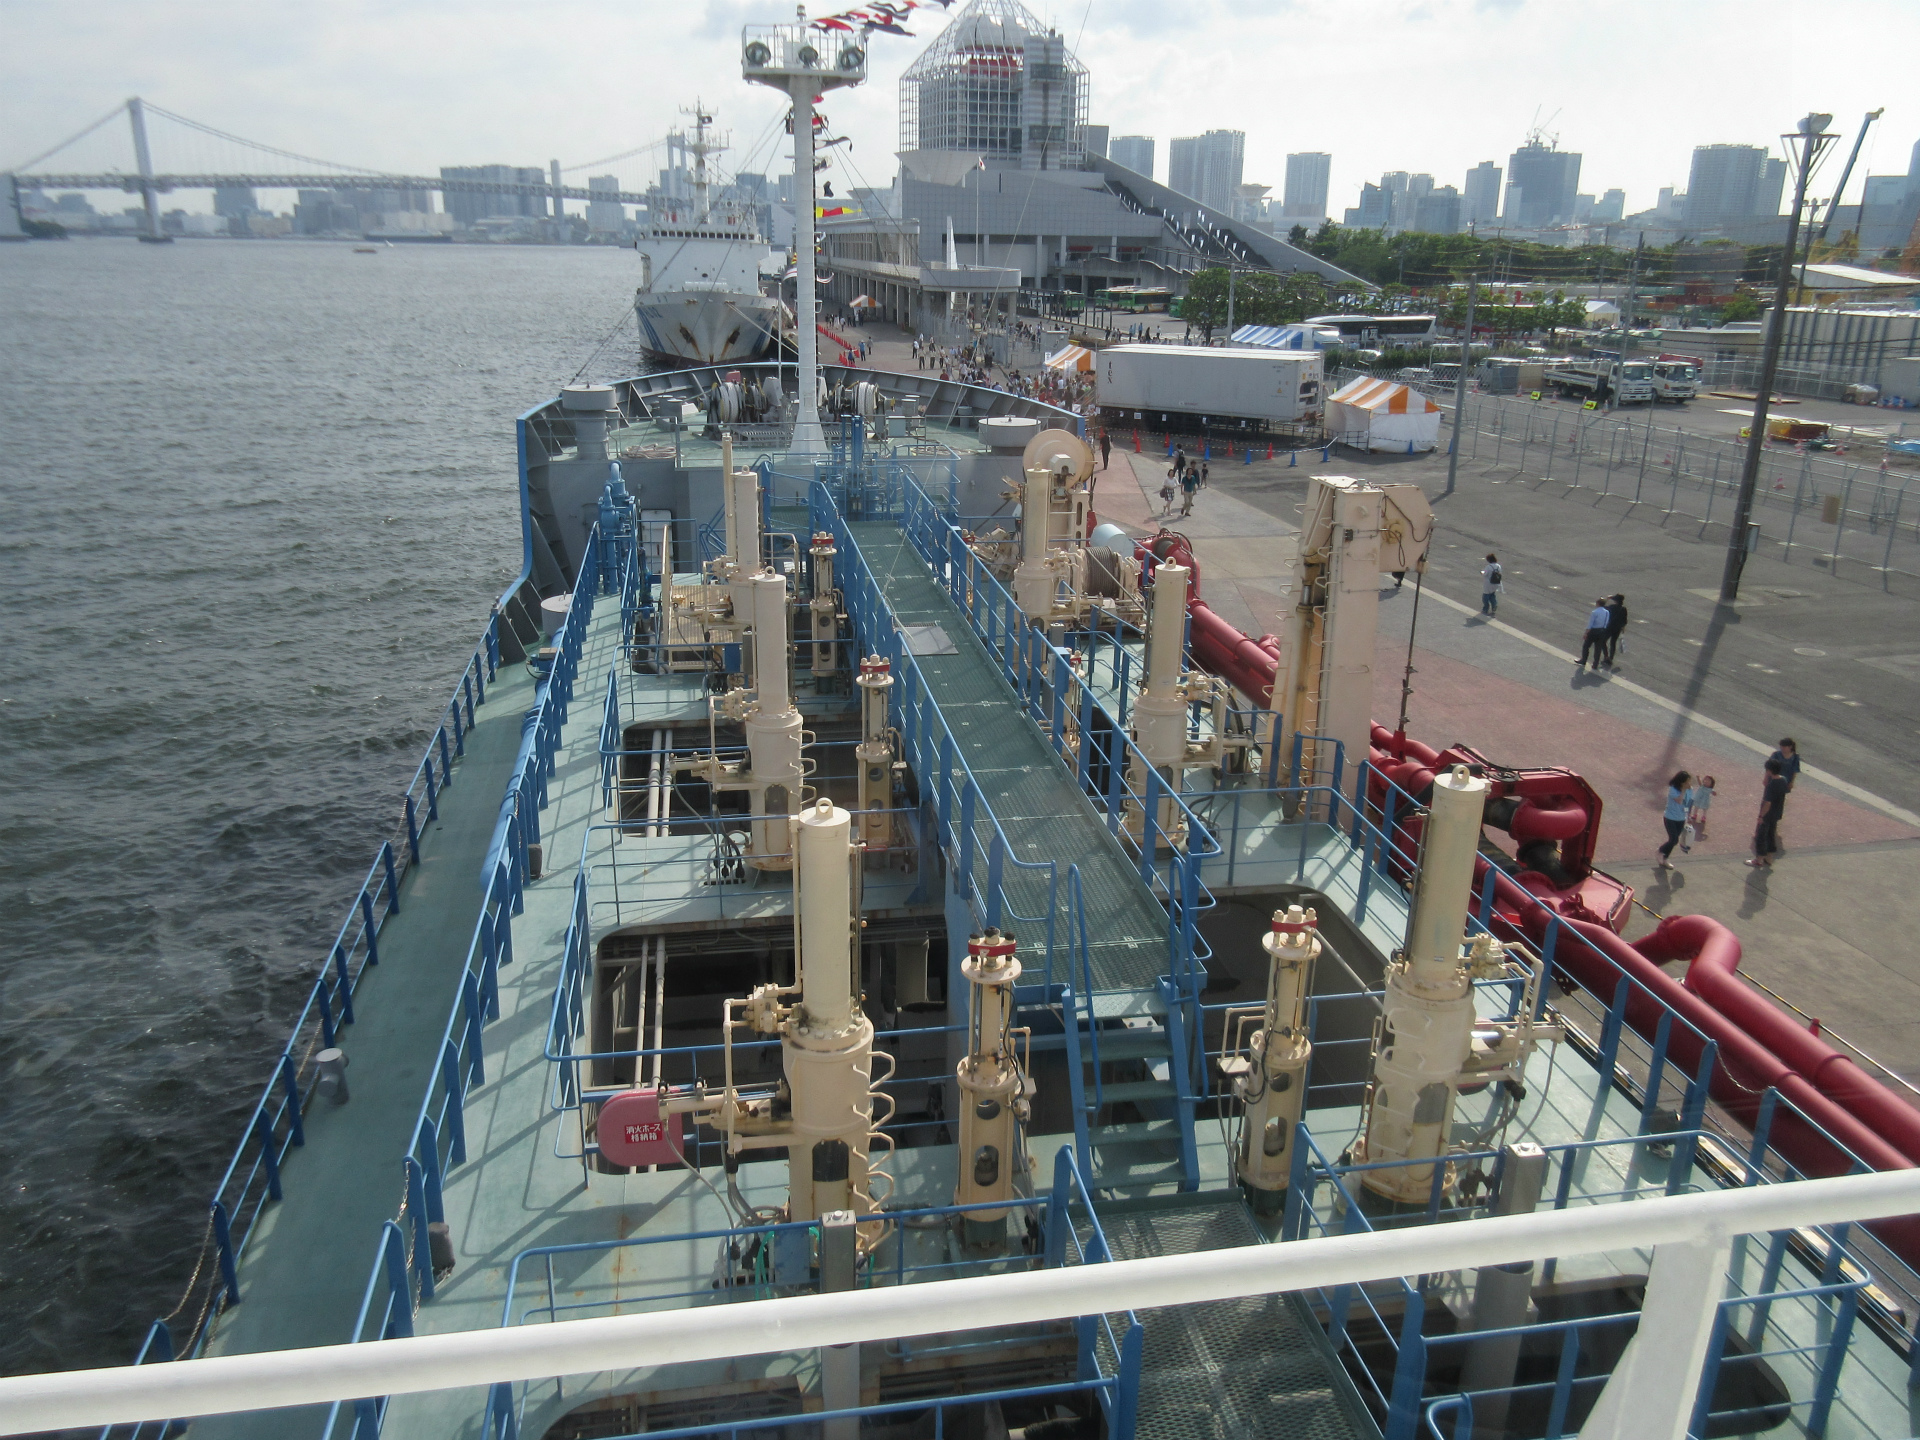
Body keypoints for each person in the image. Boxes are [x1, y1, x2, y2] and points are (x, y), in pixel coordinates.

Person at [1750, 758, 1789, 868]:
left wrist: (1761, 816)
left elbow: (1767, 803)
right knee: (1771, 835)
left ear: (1769, 770)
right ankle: (1769, 857)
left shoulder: (1771, 785)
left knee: (1761, 836)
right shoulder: (1783, 780)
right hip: (1777, 813)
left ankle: (1759, 859)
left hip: (1768, 815)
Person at [1656, 771, 1693, 867]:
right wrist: (1683, 790)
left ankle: (1665, 858)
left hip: (1681, 818)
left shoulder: (1689, 790)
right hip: (1670, 817)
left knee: (1674, 841)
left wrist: (1688, 815)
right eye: (1686, 782)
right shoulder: (1673, 789)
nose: (1688, 784)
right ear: (1681, 782)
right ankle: (1661, 851)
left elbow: (1686, 803)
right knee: (1673, 839)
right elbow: (1679, 801)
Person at [1577, 599, 1611, 669]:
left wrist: (1586, 633)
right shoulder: (1607, 612)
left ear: (1598, 603)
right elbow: (1606, 622)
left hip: (1593, 631)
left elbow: (1590, 624)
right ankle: (1595, 664)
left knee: (1586, 646)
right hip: (1602, 631)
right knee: (1598, 648)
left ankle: (1583, 660)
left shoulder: (1594, 612)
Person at [1603, 593, 1628, 667]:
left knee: (1603, 641)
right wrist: (1623, 628)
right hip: (1618, 628)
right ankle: (1611, 658)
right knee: (1613, 643)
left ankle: (1606, 656)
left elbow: (1603, 607)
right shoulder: (1623, 609)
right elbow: (1625, 621)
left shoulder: (1612, 607)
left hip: (1609, 627)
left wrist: (1607, 599)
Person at [1688, 775, 1716, 840]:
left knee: (1704, 809)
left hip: (1705, 800)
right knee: (1696, 806)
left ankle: (1704, 816)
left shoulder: (1710, 789)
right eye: (1705, 780)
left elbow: (1713, 792)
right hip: (1699, 798)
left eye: (1708, 781)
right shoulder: (1702, 786)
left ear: (1711, 783)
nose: (1706, 782)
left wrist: (1714, 793)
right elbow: (1700, 783)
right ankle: (1695, 814)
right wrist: (1698, 778)